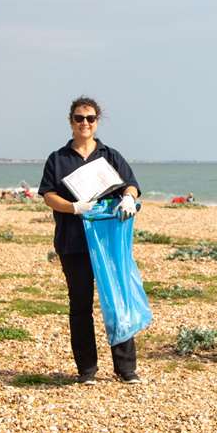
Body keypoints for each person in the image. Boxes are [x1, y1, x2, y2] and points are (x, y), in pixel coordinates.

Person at [39, 96, 144, 385]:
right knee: (80, 304)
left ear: (97, 122)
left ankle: (126, 370)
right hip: (72, 241)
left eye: (90, 118)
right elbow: (48, 195)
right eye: (78, 118)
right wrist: (73, 207)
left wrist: (127, 198)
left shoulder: (110, 156)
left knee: (117, 300)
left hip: (108, 242)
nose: (84, 123)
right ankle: (86, 370)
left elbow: (133, 184)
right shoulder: (58, 159)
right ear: (70, 121)